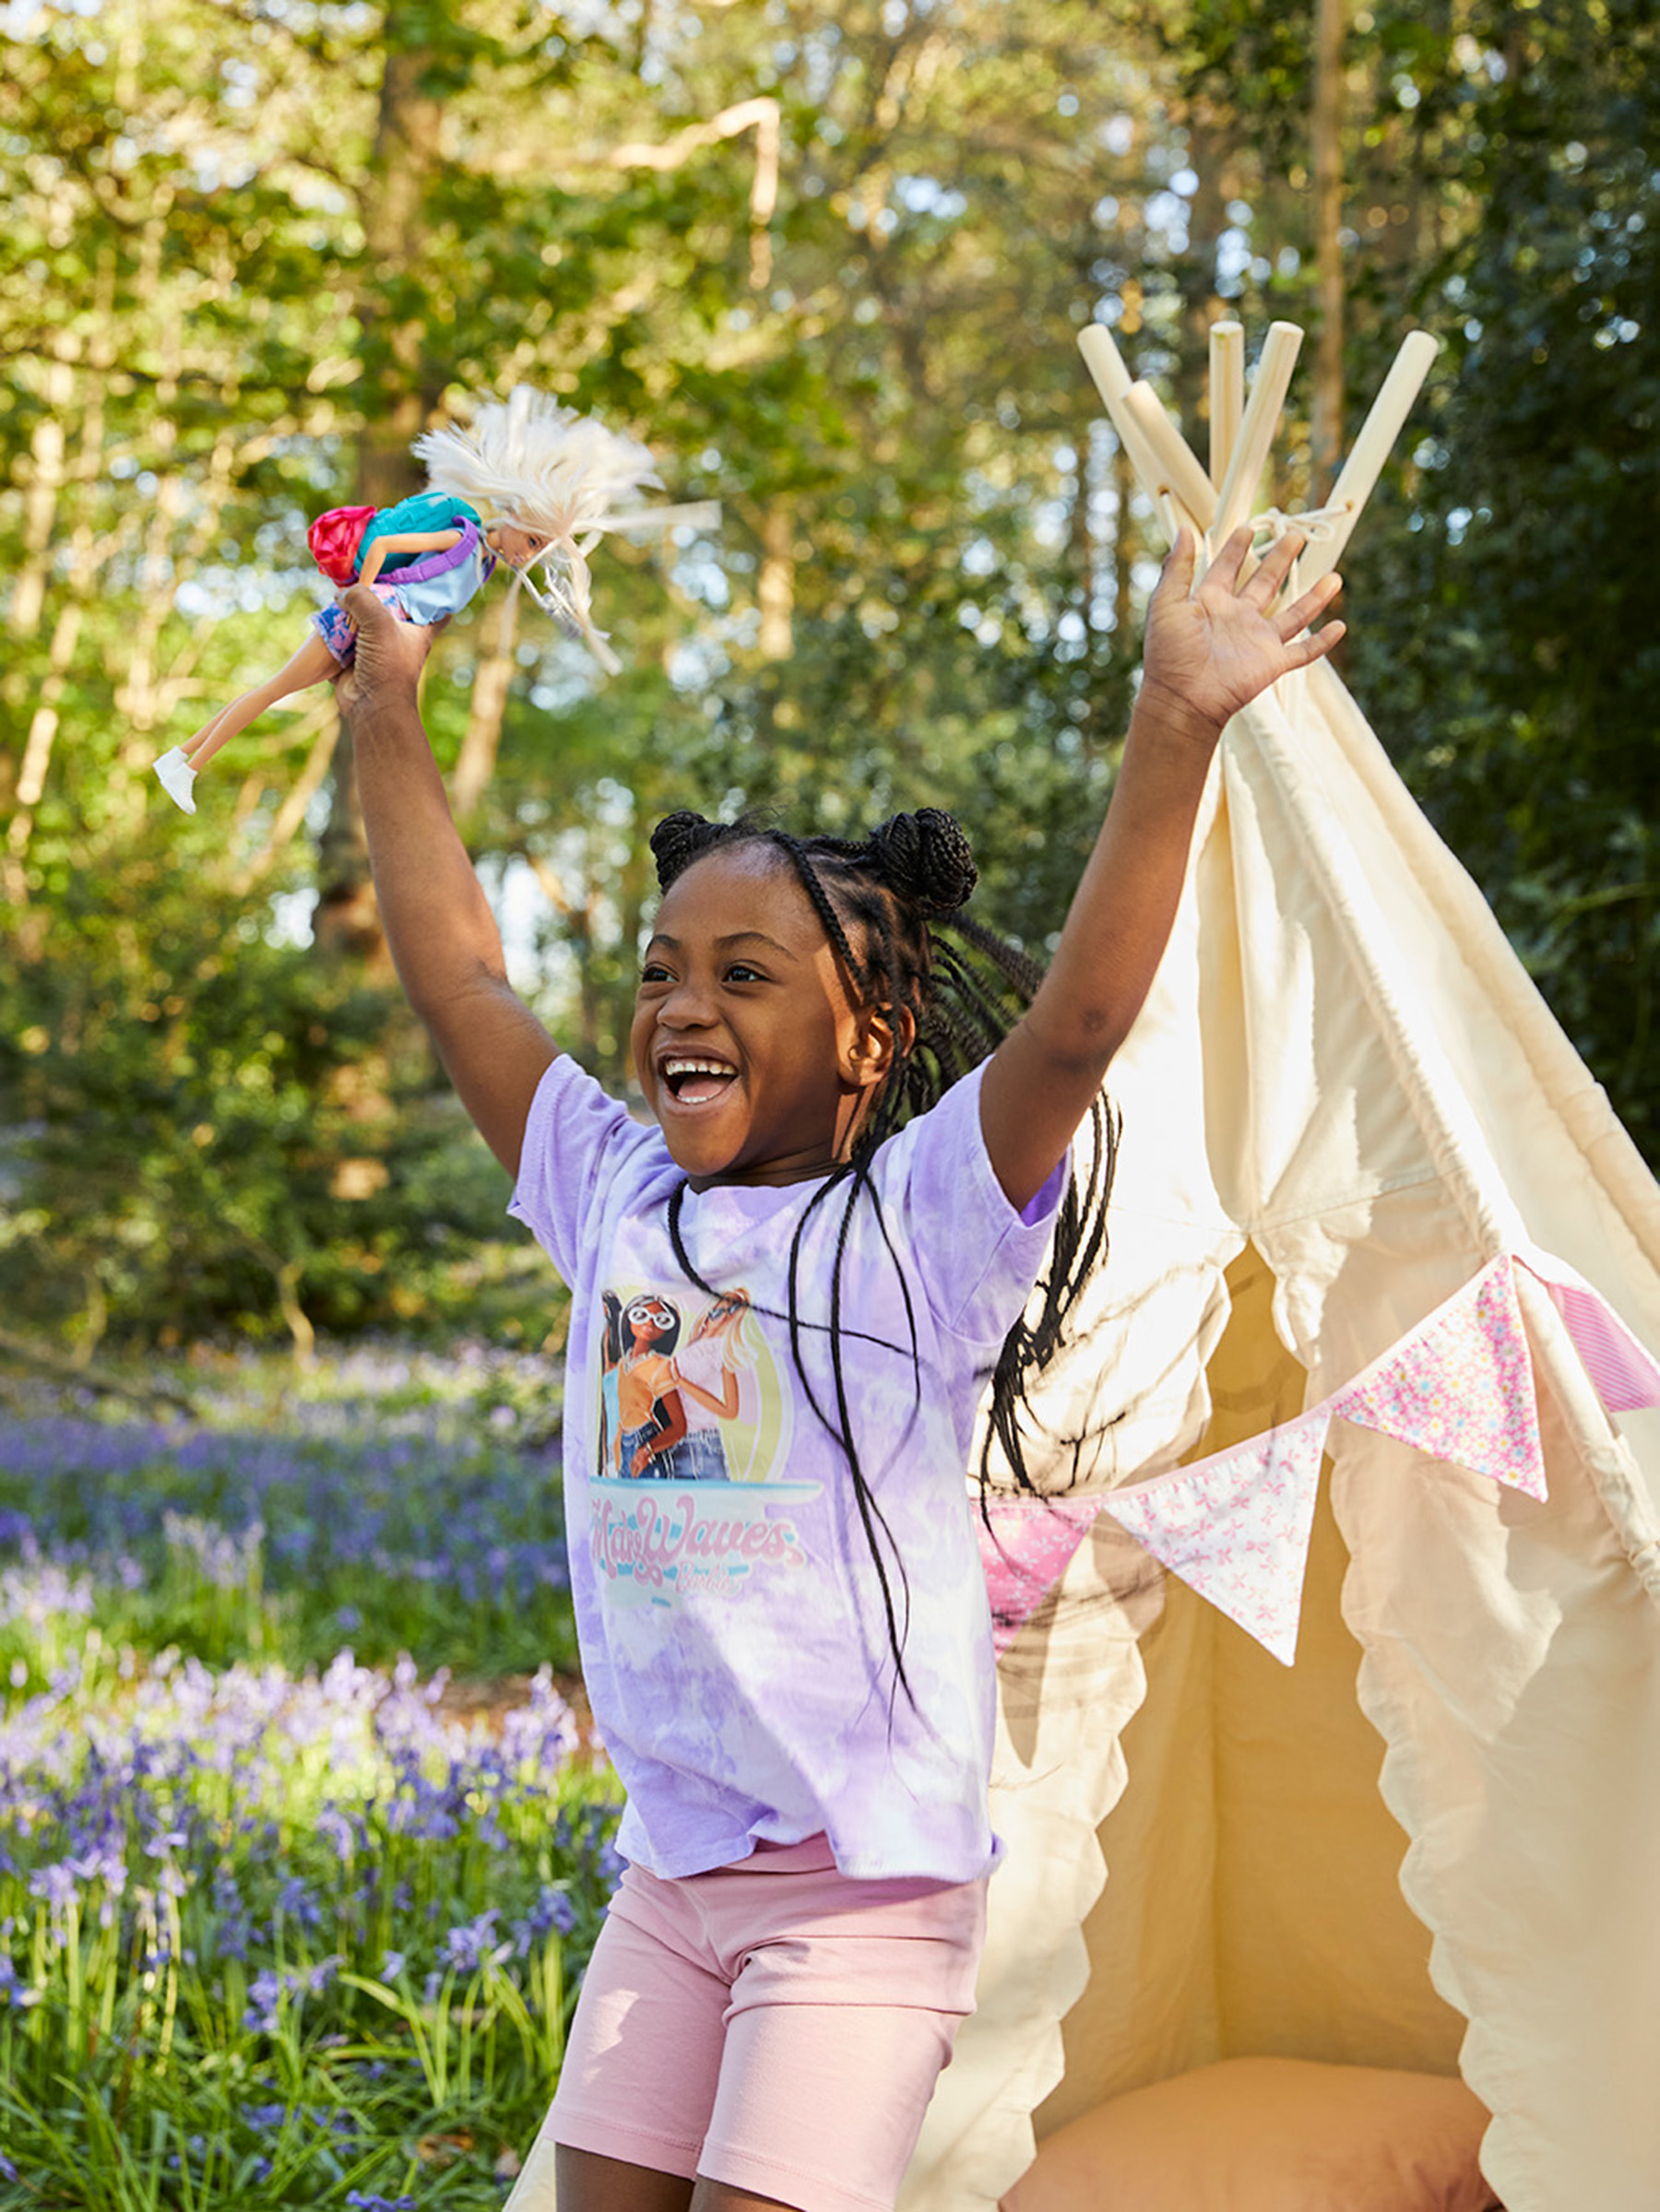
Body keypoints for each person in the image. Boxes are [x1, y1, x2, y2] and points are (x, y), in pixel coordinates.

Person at [332, 520, 1343, 2212]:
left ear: (868, 1042)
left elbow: (1078, 1023)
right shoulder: (616, 1195)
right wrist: (389, 702)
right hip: (674, 1865)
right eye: (659, 969)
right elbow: (460, 973)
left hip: (860, 1887)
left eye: (742, 973)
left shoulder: (919, 1219)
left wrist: (1177, 719)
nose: (677, 1005)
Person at [150, 387, 709, 814]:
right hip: (364, 625)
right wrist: (362, 599)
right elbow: (391, 544)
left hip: (378, 635)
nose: (529, 555)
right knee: (273, 690)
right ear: (514, 522)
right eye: (533, 542)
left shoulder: (486, 564)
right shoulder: (464, 536)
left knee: (276, 689)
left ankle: (179, 760)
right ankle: (188, 765)